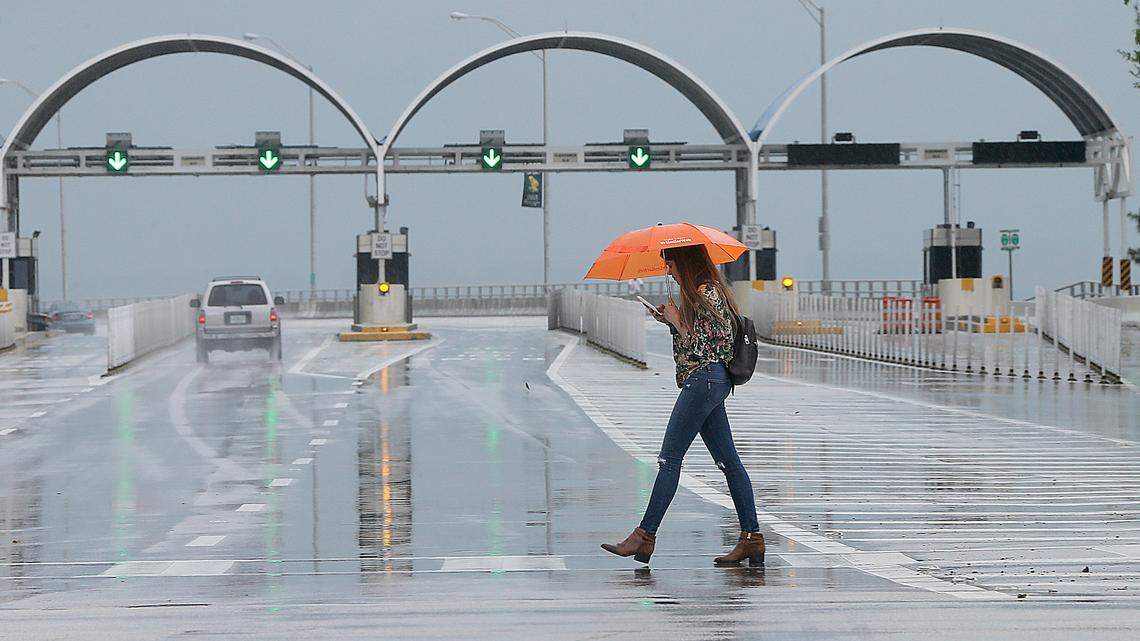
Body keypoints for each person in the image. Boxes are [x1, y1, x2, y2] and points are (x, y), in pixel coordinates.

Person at [600, 244, 763, 566]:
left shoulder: (707, 293)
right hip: (708, 381)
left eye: (671, 264)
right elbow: (701, 339)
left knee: (669, 459)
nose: (668, 271)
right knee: (729, 463)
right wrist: (668, 320)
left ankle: (644, 535)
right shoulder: (701, 294)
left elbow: (711, 347)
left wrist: (678, 323)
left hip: (704, 380)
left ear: (686, 264)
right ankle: (752, 539)